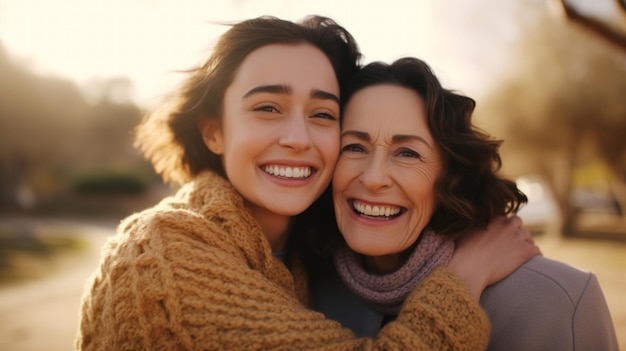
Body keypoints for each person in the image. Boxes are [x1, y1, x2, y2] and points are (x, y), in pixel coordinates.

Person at [75, 16, 539, 350]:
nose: (298, 139)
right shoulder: (165, 252)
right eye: (268, 108)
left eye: (322, 115)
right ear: (213, 130)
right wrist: (464, 277)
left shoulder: (301, 258)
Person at [310, 57, 619, 350]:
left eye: (408, 153)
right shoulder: (303, 289)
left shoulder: (557, 302)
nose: (374, 178)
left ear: (450, 177)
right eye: (353, 147)